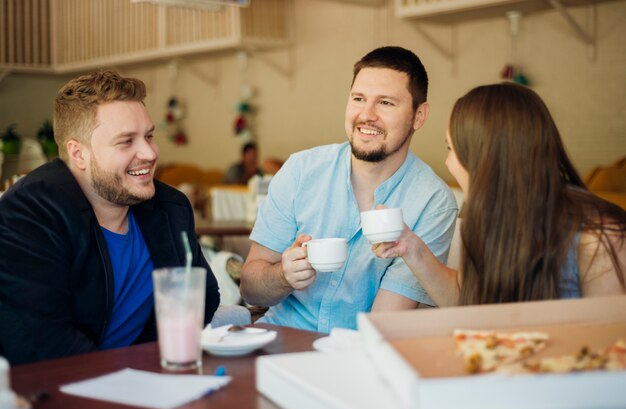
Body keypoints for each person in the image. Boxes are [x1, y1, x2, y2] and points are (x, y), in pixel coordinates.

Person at [0, 70, 220, 365]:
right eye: (126, 142)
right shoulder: (31, 213)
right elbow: (40, 342)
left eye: (149, 136)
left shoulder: (170, 207)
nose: (150, 152)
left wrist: (145, 366)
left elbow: (203, 295)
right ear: (79, 154)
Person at [240, 46, 458, 332]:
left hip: (355, 354)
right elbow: (250, 289)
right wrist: (283, 275)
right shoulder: (300, 170)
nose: (366, 115)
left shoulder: (433, 202)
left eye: (386, 103)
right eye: (358, 99)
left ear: (419, 115)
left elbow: (383, 324)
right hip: (279, 339)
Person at [373, 82, 626, 306]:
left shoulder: (600, 237)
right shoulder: (486, 218)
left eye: (451, 148)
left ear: (485, 159)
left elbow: (611, 344)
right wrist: (410, 247)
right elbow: (466, 300)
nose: (447, 162)